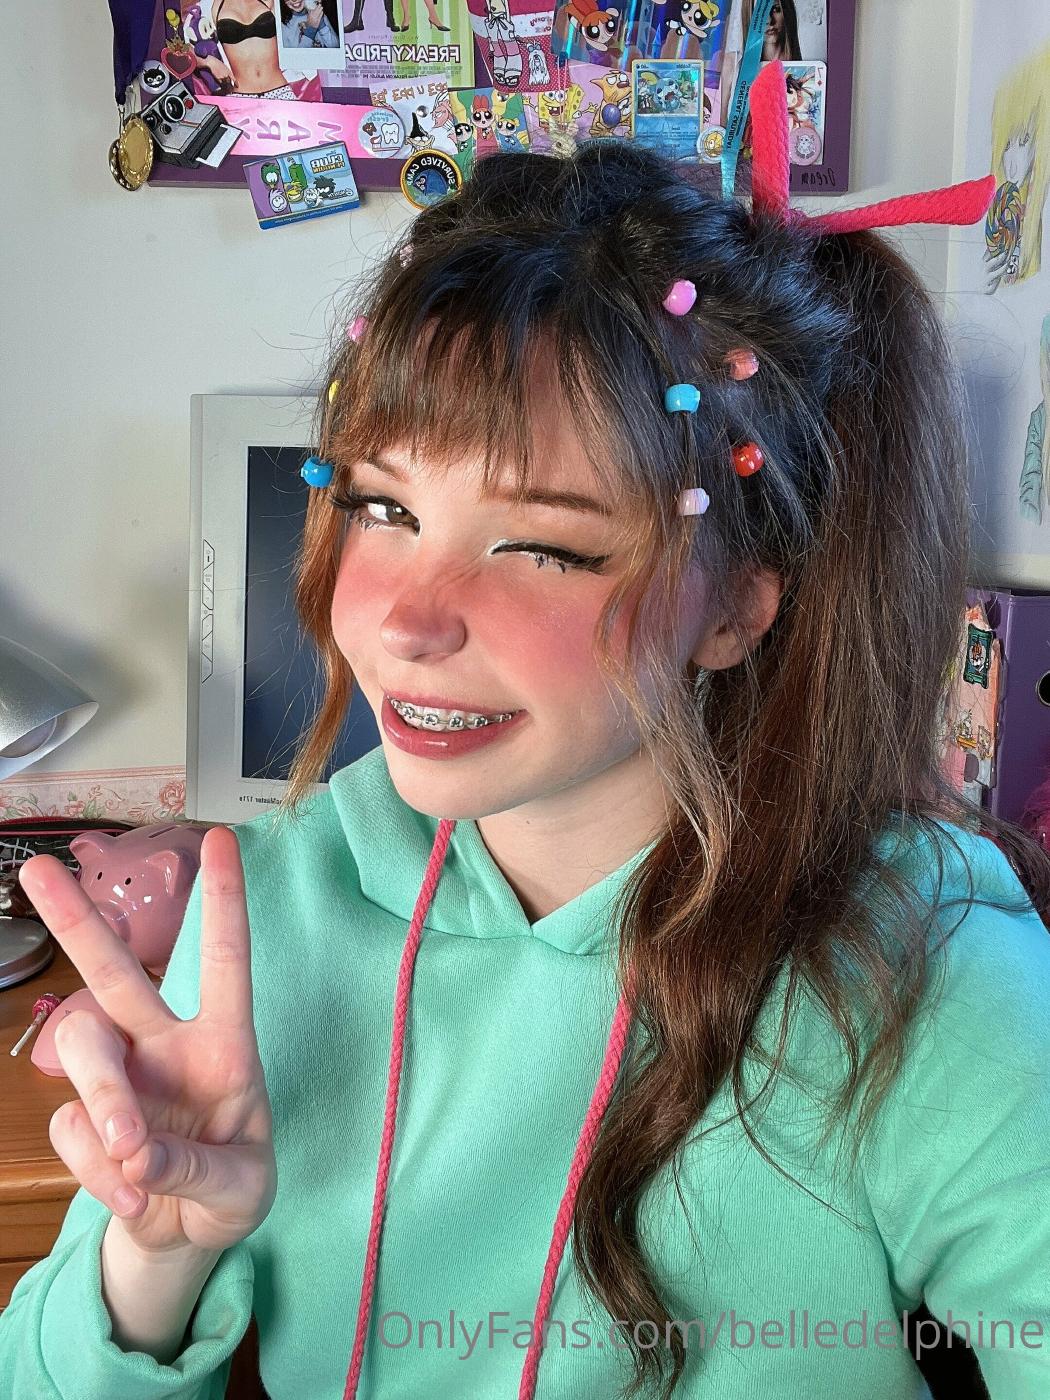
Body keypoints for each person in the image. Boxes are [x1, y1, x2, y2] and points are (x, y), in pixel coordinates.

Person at [3, 60, 1050, 1400]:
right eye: (383, 509)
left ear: (736, 605)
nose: (405, 621)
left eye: (544, 547)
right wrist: (153, 1257)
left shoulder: (924, 973)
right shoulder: (265, 913)